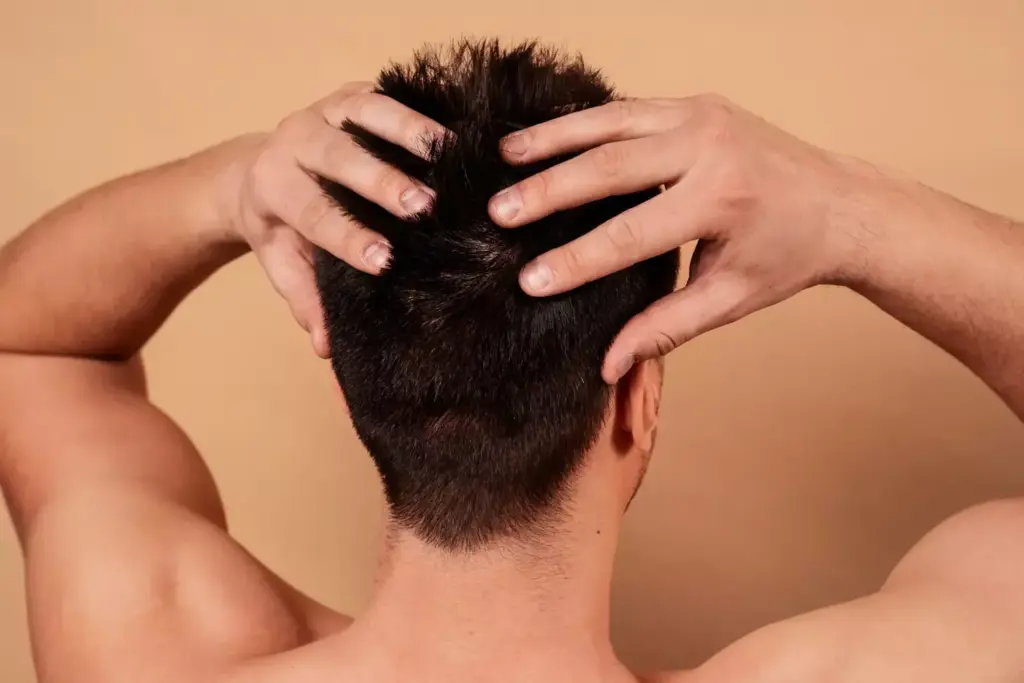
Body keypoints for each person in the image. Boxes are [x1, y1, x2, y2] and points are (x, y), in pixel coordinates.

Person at [0, 39, 1021, 683]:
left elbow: (26, 339)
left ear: (356, 375)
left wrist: (235, 188)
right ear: (637, 401)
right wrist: (847, 210)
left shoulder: (148, 644)